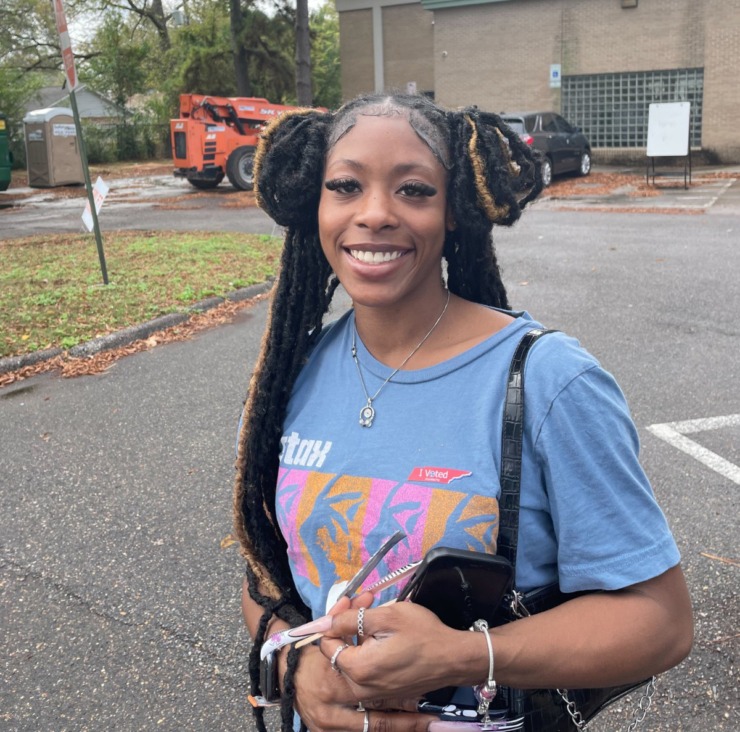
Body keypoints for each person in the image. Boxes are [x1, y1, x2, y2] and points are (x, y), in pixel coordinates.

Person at [233, 93, 693, 732]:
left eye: (414, 191)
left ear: (454, 212)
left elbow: (661, 622)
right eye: (345, 186)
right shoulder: (291, 376)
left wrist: (465, 655)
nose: (374, 214)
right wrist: (297, 668)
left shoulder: (549, 381)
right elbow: (266, 581)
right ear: (316, 204)